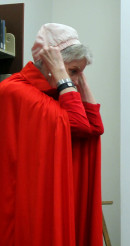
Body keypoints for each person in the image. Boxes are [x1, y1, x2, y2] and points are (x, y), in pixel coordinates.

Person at [0, 23, 104, 246]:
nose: (75, 80)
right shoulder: (18, 91)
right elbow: (78, 125)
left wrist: (78, 79)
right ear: (50, 64)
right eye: (73, 71)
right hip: (25, 207)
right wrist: (62, 75)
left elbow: (95, 128)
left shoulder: (57, 96)